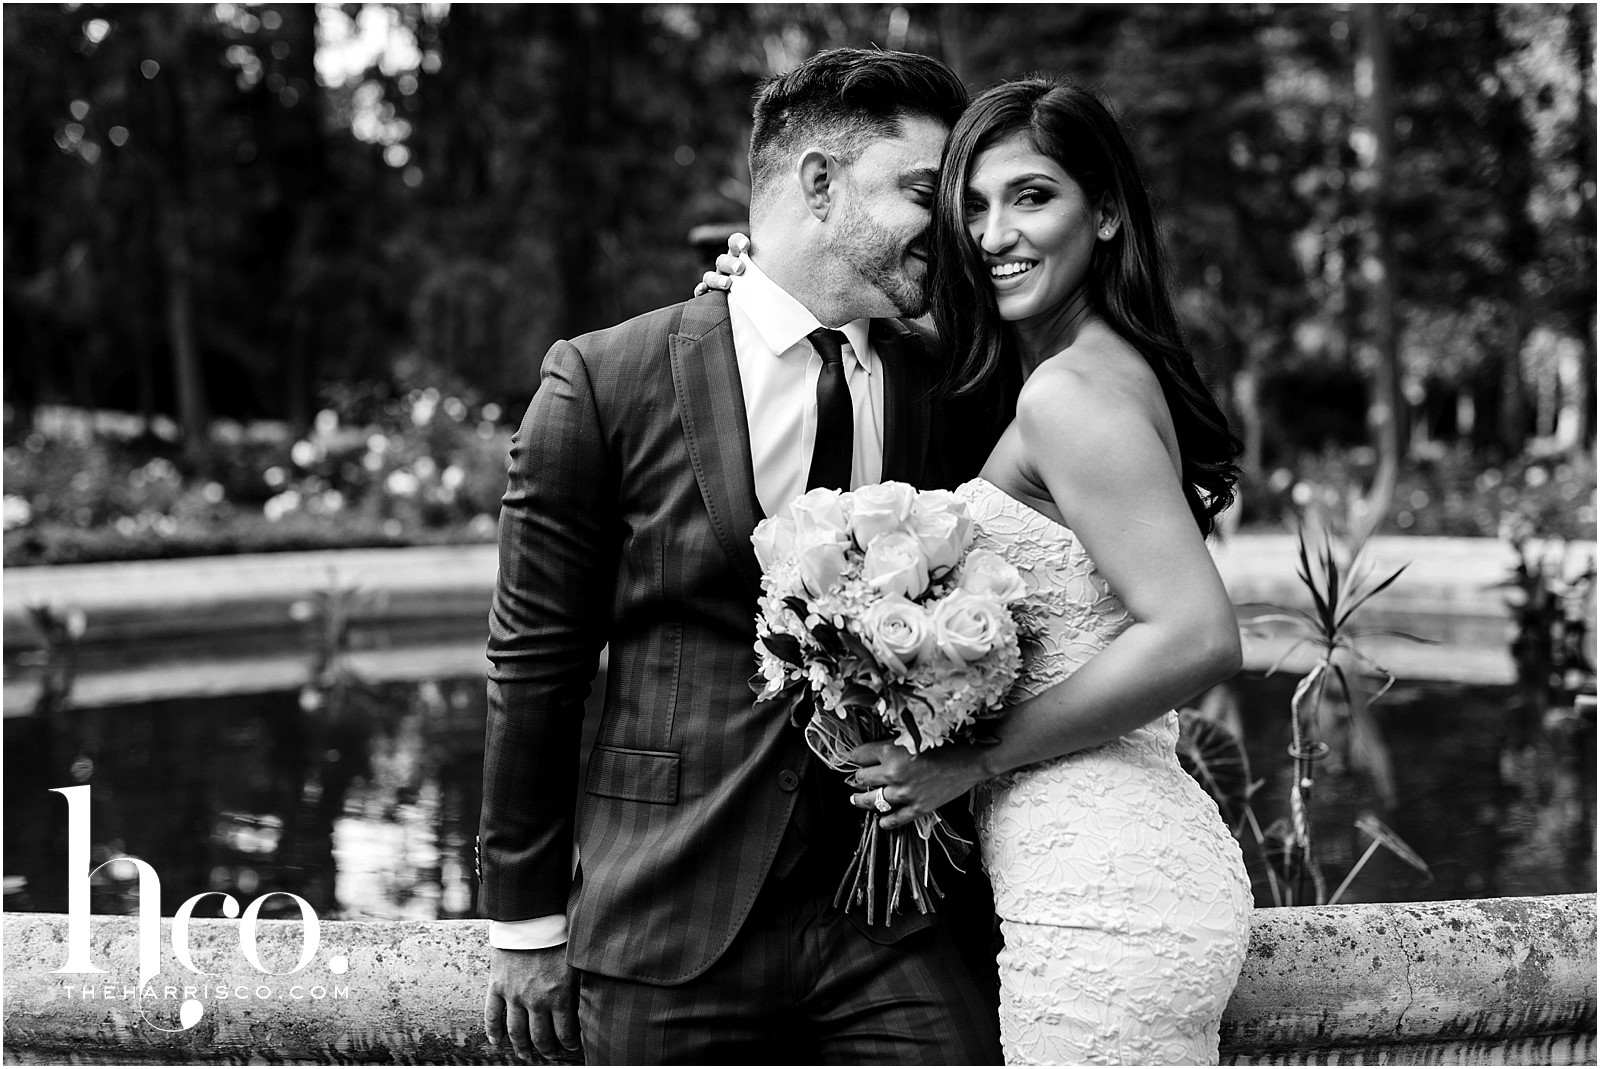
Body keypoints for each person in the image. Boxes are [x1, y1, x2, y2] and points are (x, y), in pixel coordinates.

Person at [479, 48, 1003, 1065]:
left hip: (892, 914)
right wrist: (525, 922)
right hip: (669, 916)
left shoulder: (954, 384)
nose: (948, 228)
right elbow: (534, 666)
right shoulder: (604, 380)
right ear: (817, 183)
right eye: (920, 193)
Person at [844, 75, 1254, 1065]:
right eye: (972, 208)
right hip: (1116, 867)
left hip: (1102, 900)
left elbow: (1198, 633)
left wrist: (969, 760)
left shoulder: (1070, 395)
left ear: (1105, 211)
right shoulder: (1098, 366)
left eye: (1031, 196)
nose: (992, 235)